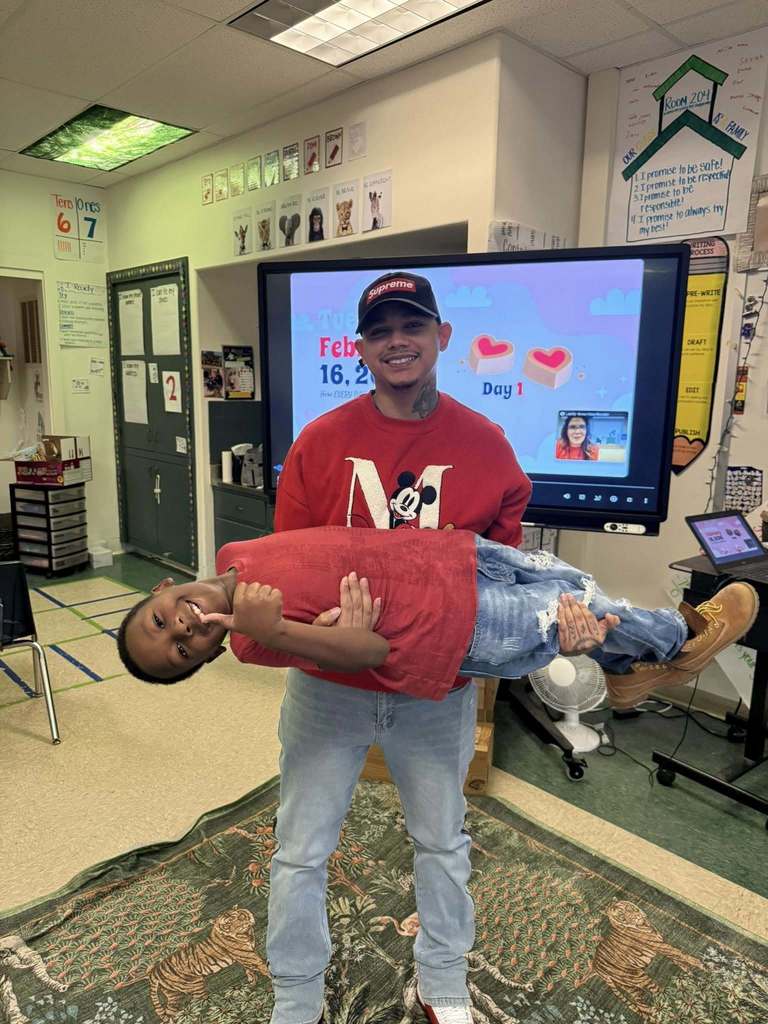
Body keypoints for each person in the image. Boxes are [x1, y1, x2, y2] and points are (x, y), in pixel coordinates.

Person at [261, 269, 533, 1024]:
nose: (398, 342)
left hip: (433, 692)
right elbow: (288, 571)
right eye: (381, 332)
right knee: (300, 850)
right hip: (327, 689)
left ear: (442, 337)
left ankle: (442, 981)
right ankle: (295, 993)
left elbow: (499, 587)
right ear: (362, 348)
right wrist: (326, 633)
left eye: (412, 327)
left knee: (442, 842)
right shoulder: (320, 444)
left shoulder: (487, 447)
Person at [118, 528, 757, 709]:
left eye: (159, 622)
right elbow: (367, 654)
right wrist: (276, 628)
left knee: (569, 581)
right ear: (204, 659)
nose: (182, 628)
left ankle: (626, 667)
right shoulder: (254, 645)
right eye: (181, 650)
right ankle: (684, 637)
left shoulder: (237, 553)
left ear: (164, 588)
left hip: (448, 555)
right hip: (452, 624)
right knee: (586, 612)